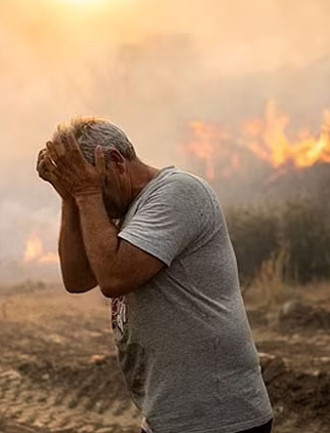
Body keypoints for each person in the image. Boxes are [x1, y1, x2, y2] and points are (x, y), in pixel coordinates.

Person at [36, 117, 273, 433]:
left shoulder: (179, 193)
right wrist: (70, 195)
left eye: (94, 184)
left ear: (117, 162)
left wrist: (85, 192)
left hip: (219, 419)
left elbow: (114, 278)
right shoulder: (128, 209)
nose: (96, 205)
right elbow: (77, 279)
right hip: (169, 418)